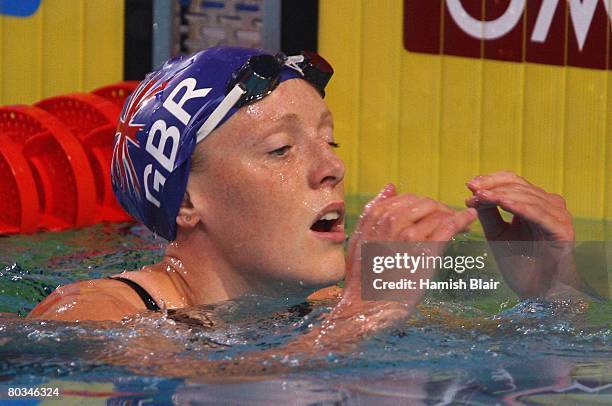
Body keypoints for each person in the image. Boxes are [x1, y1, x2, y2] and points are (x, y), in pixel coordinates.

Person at [27, 47, 579, 331]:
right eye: (280, 149)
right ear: (189, 201)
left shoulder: (316, 307)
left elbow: (537, 370)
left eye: (330, 141)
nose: (331, 168)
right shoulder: (89, 314)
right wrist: (358, 321)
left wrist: (549, 289)